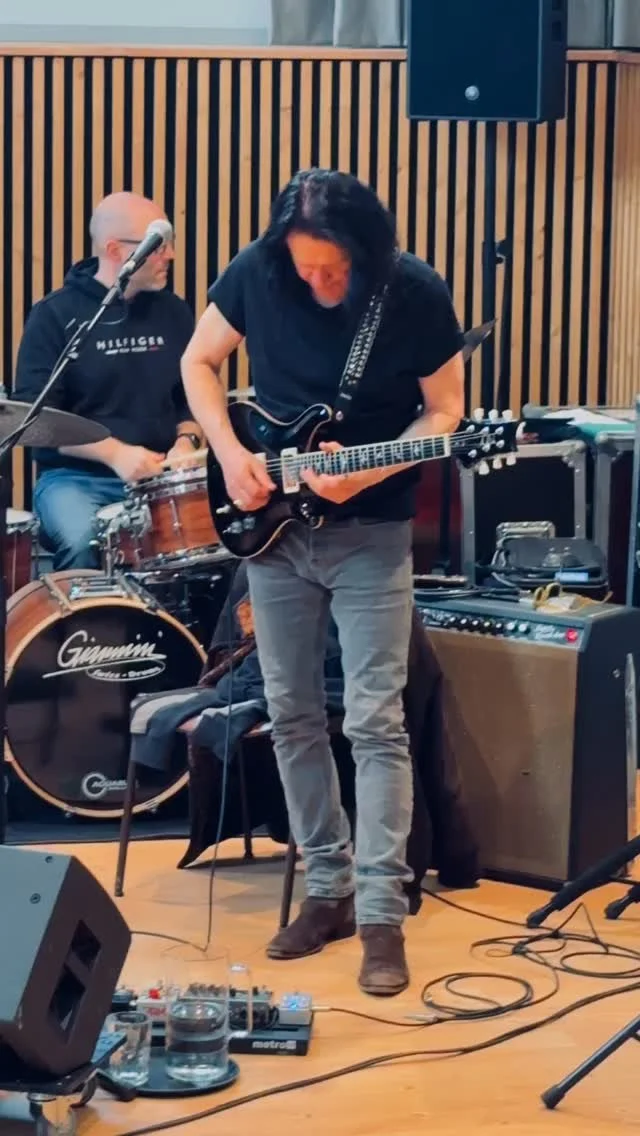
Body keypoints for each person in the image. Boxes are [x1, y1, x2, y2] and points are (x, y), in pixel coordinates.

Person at [181, 169, 464, 997]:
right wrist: (231, 453)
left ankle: (381, 914)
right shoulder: (256, 270)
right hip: (273, 535)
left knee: (375, 722)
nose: (319, 282)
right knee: (293, 714)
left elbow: (445, 413)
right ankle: (328, 890)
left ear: (365, 253)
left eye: (333, 270)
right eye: (306, 268)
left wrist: (369, 473)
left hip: (371, 534)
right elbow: (200, 361)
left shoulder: (413, 292)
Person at [13, 191, 203, 570]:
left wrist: (187, 442)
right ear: (116, 250)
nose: (170, 255)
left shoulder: (175, 313)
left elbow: (191, 401)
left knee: (225, 534)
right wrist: (116, 454)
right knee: (84, 539)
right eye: (158, 245)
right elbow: (34, 418)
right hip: (75, 480)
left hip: (163, 478)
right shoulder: (54, 316)